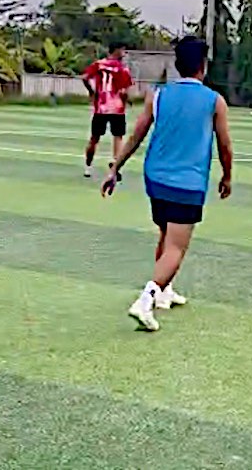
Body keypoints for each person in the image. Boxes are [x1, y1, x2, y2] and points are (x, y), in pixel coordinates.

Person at [102, 36, 233, 332]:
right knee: (176, 246)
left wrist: (115, 168)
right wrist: (227, 176)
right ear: (203, 66)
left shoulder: (158, 96)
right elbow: (225, 145)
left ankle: (165, 291)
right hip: (187, 183)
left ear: (177, 65)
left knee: (165, 232)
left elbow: (135, 136)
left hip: (156, 179)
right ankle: (146, 300)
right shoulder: (215, 100)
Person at [82, 41, 134, 178]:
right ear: (116, 50)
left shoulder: (98, 65)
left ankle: (88, 166)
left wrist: (92, 92)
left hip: (101, 107)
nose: (124, 53)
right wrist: (129, 100)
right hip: (117, 108)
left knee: (95, 138)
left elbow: (85, 77)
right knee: (118, 137)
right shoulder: (122, 69)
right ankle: (115, 167)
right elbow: (124, 91)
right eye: (123, 50)